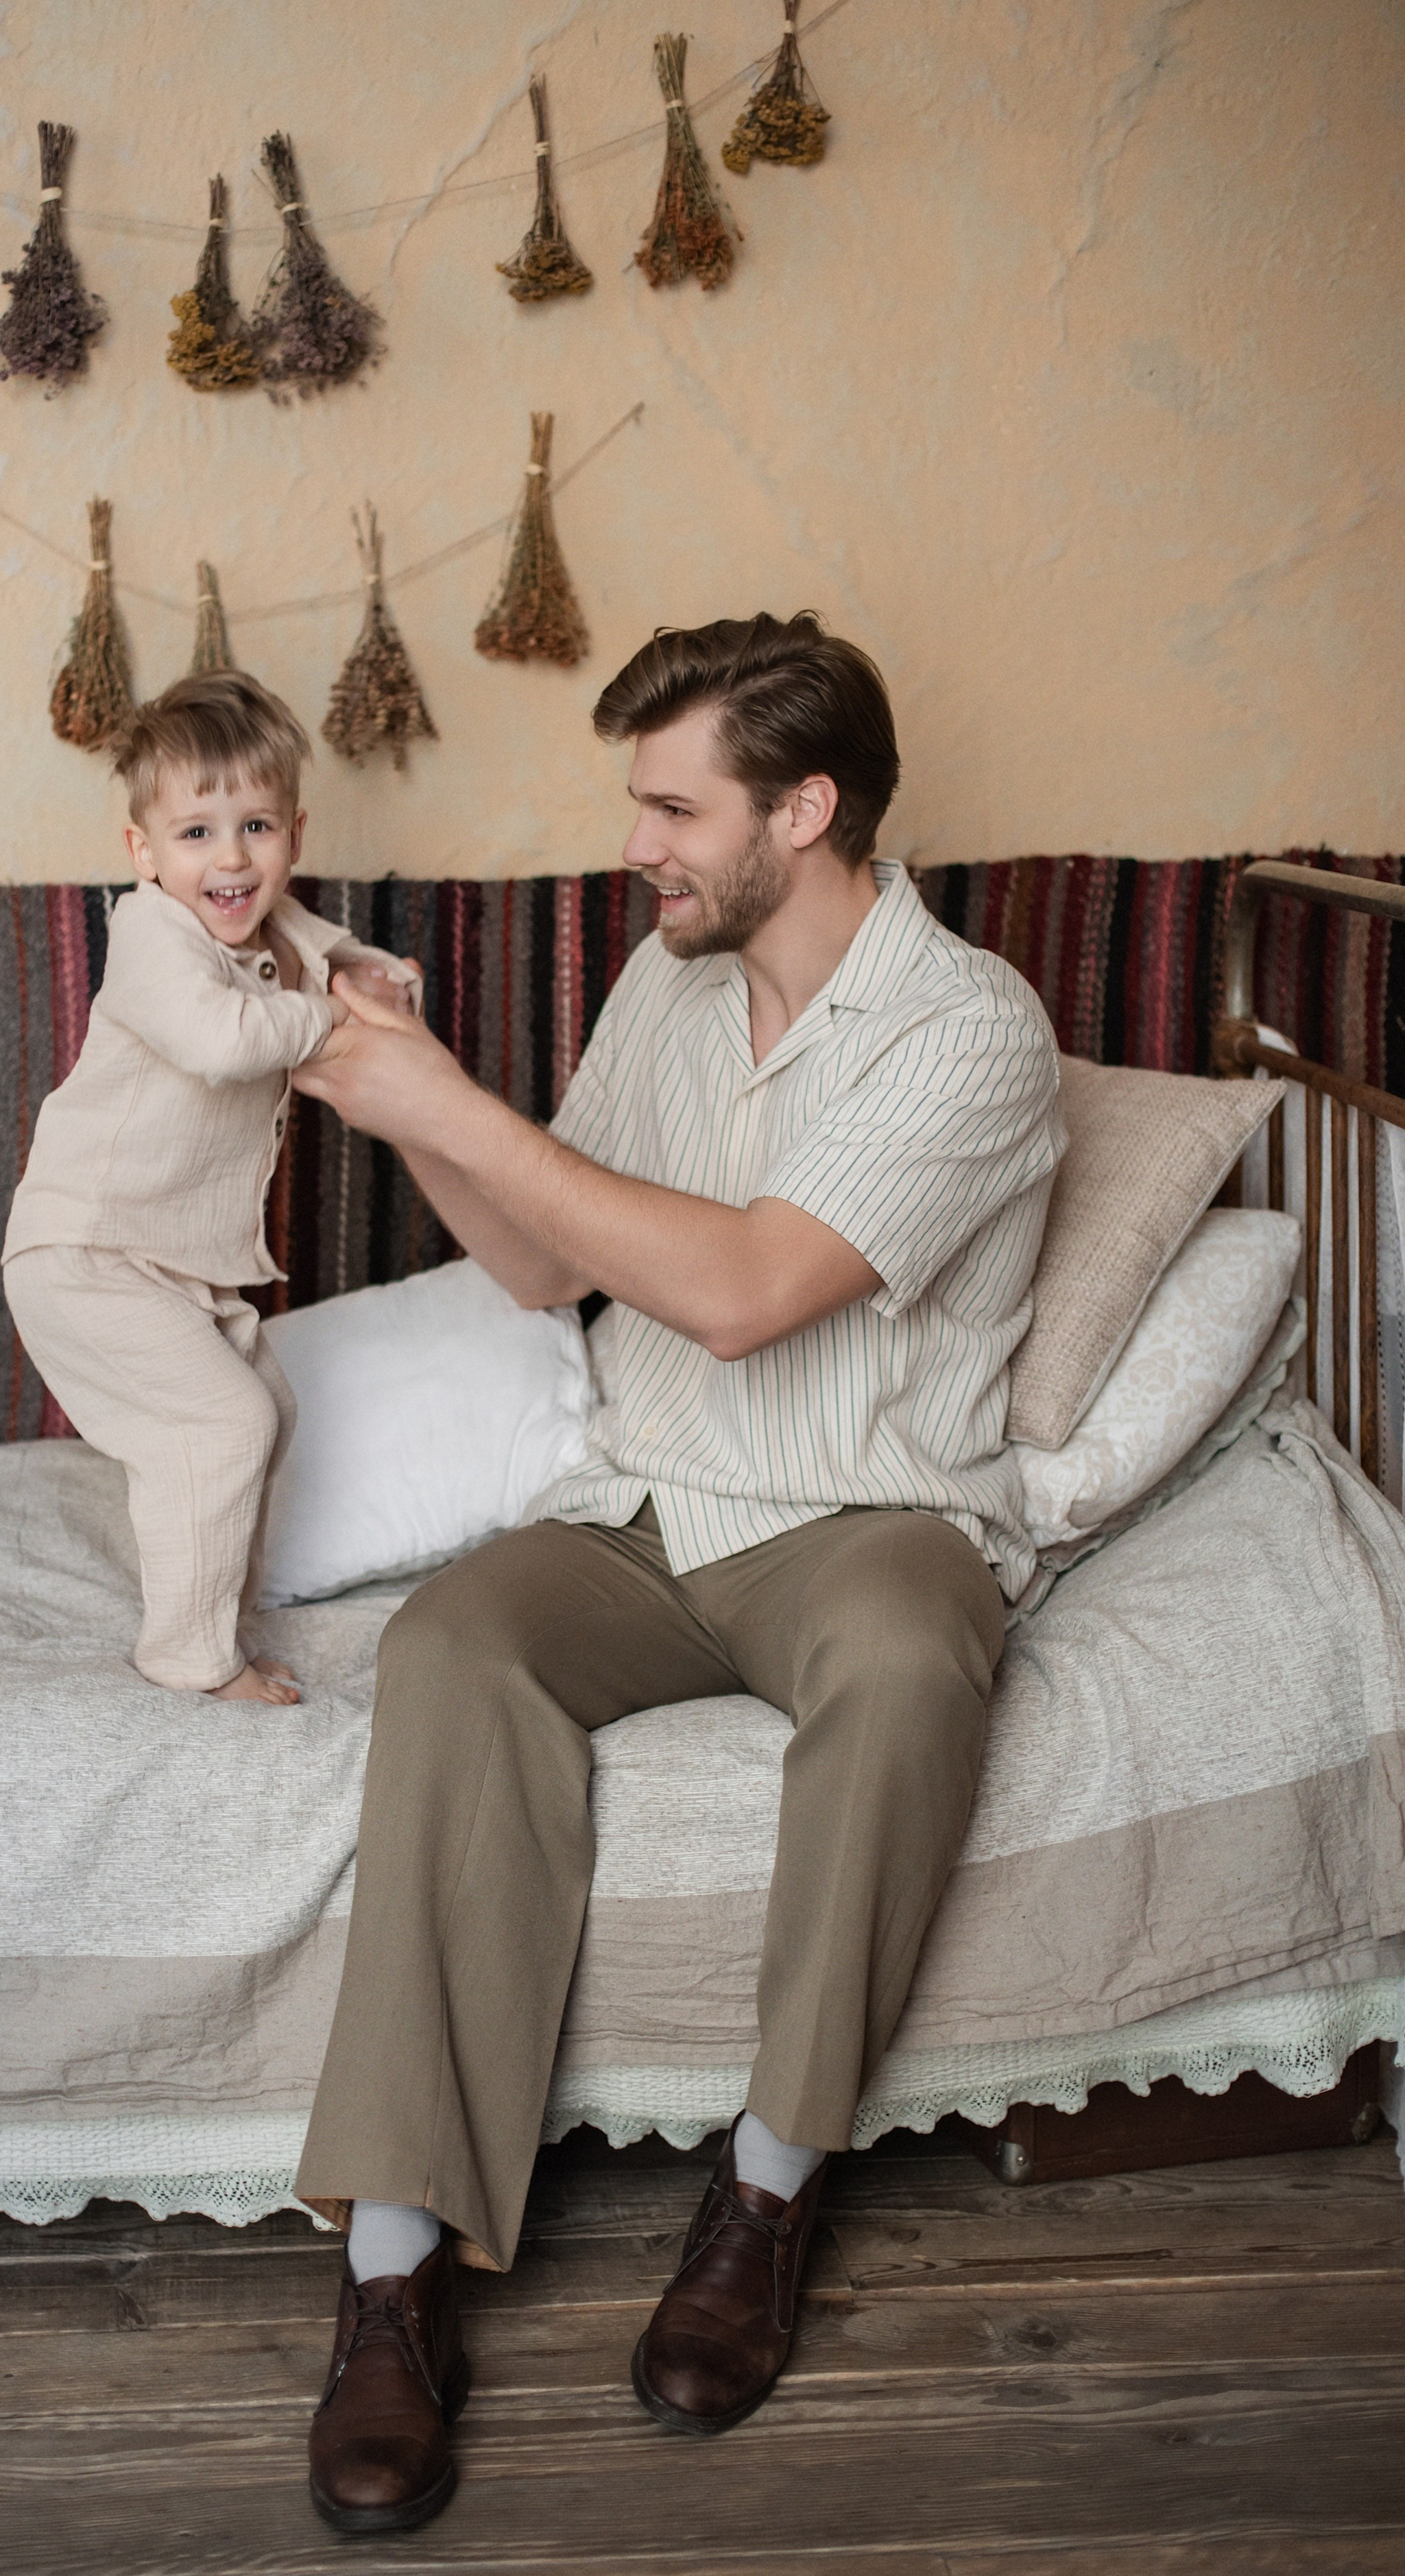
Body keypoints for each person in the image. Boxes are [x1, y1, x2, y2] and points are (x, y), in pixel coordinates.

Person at [287, 612, 1065, 2536]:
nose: (636, 845)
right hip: (643, 1511)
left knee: (907, 1655)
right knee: (453, 1643)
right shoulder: (668, 978)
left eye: (673, 808)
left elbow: (740, 1293)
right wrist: (405, 1084)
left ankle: (769, 2191)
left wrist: (447, 1110)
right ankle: (394, 2269)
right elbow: (546, 1263)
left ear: (803, 811)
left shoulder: (971, 1028)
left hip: (868, 1519)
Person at [3, 671, 420, 1707]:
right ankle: (190, 1657)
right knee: (223, 1425)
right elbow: (221, 1040)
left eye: (256, 828)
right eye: (196, 833)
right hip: (86, 1253)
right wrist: (331, 1017)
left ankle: (220, 1608)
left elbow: (320, 946)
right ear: (144, 852)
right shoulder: (150, 937)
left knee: (267, 1408)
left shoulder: (271, 927)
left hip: (171, 1263)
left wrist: (374, 973)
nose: (231, 859)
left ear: (294, 835)